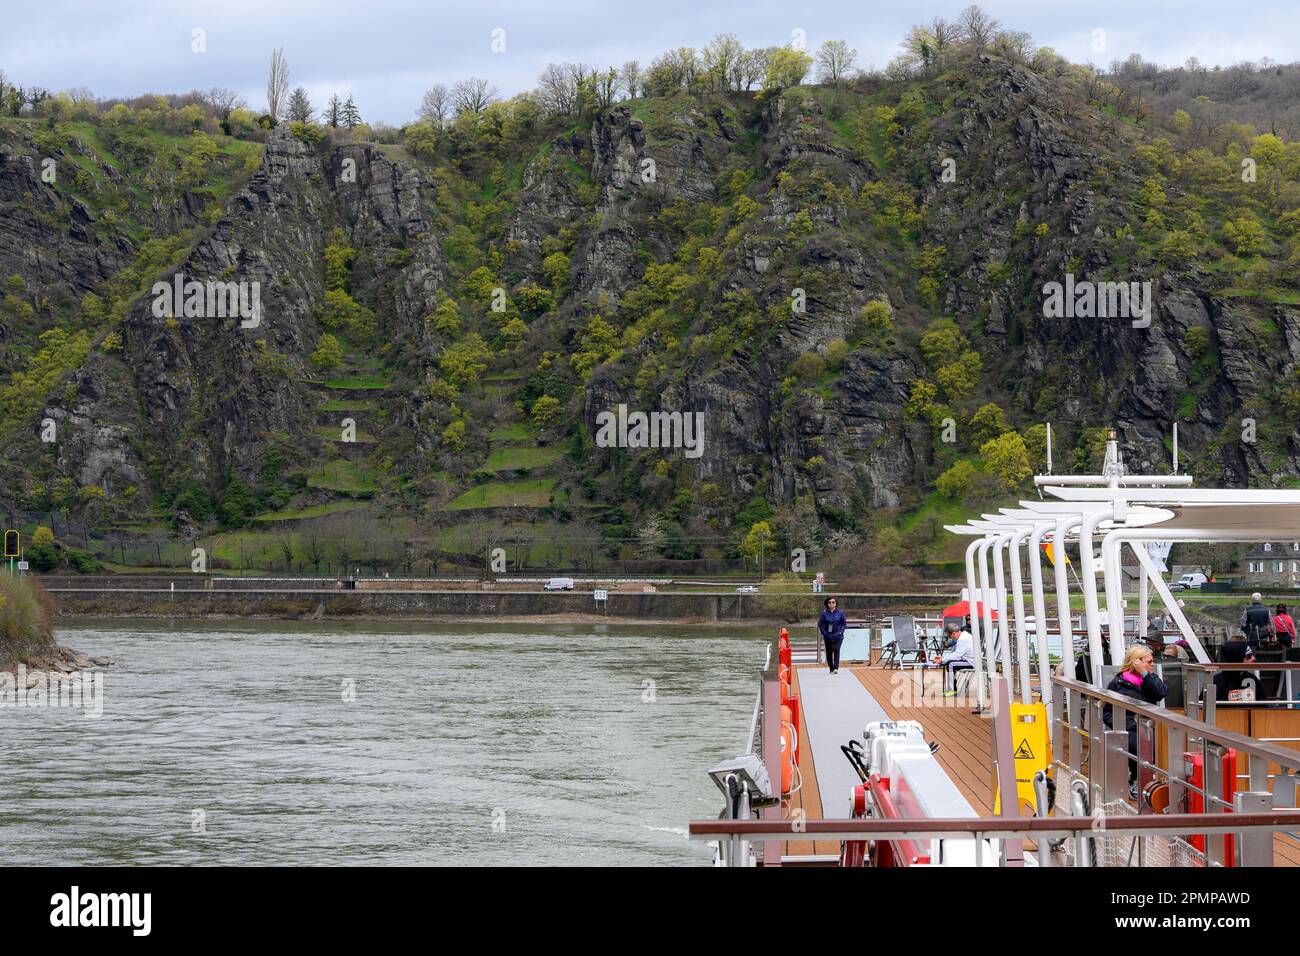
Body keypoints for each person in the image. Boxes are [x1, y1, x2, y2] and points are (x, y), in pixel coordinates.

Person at [1102, 644, 1168, 795]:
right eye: (1149, 661)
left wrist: (1145, 673)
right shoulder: (1118, 684)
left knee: (1162, 739)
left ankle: (1154, 780)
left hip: (1150, 726)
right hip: (1129, 727)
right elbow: (1107, 713)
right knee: (1137, 740)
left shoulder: (1150, 679)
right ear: (1136, 662)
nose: (1153, 664)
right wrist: (1128, 724)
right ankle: (1137, 780)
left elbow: (1162, 692)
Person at [937, 622, 974, 697]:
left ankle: (952, 690)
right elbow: (956, 654)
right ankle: (952, 689)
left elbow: (957, 656)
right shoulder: (964, 636)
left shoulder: (963, 639)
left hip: (971, 662)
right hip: (968, 660)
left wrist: (942, 659)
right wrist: (943, 658)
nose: (951, 638)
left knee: (951, 664)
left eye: (949, 636)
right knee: (950, 663)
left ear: (953, 633)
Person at [817, 596, 846, 675]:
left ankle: (836, 668)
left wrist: (841, 632)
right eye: (830, 602)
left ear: (836, 603)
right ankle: (831, 668)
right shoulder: (824, 614)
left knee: (836, 649)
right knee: (829, 651)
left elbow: (844, 624)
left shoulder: (840, 612)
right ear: (827, 604)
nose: (831, 604)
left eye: (833, 602)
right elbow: (820, 624)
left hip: (838, 636)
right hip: (828, 636)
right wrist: (825, 633)